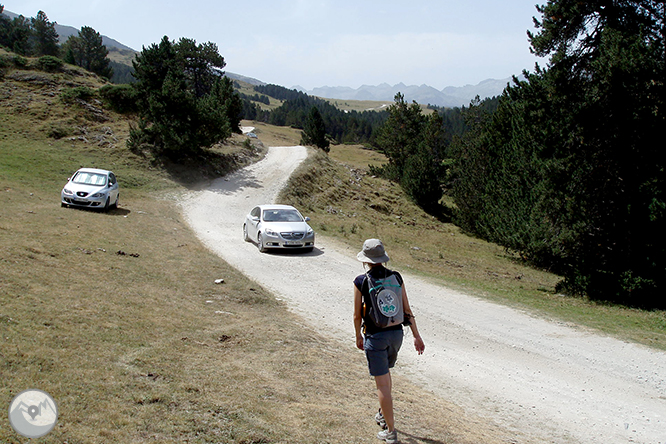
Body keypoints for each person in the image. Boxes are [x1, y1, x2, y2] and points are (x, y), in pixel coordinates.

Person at [353, 239, 425, 443]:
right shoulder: (396, 277)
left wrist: (358, 336)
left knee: (382, 385)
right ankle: (383, 414)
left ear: (366, 260)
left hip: (376, 337)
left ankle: (391, 431)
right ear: (382, 258)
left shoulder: (361, 281)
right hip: (396, 336)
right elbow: (407, 310)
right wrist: (416, 336)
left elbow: (357, 315)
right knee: (386, 378)